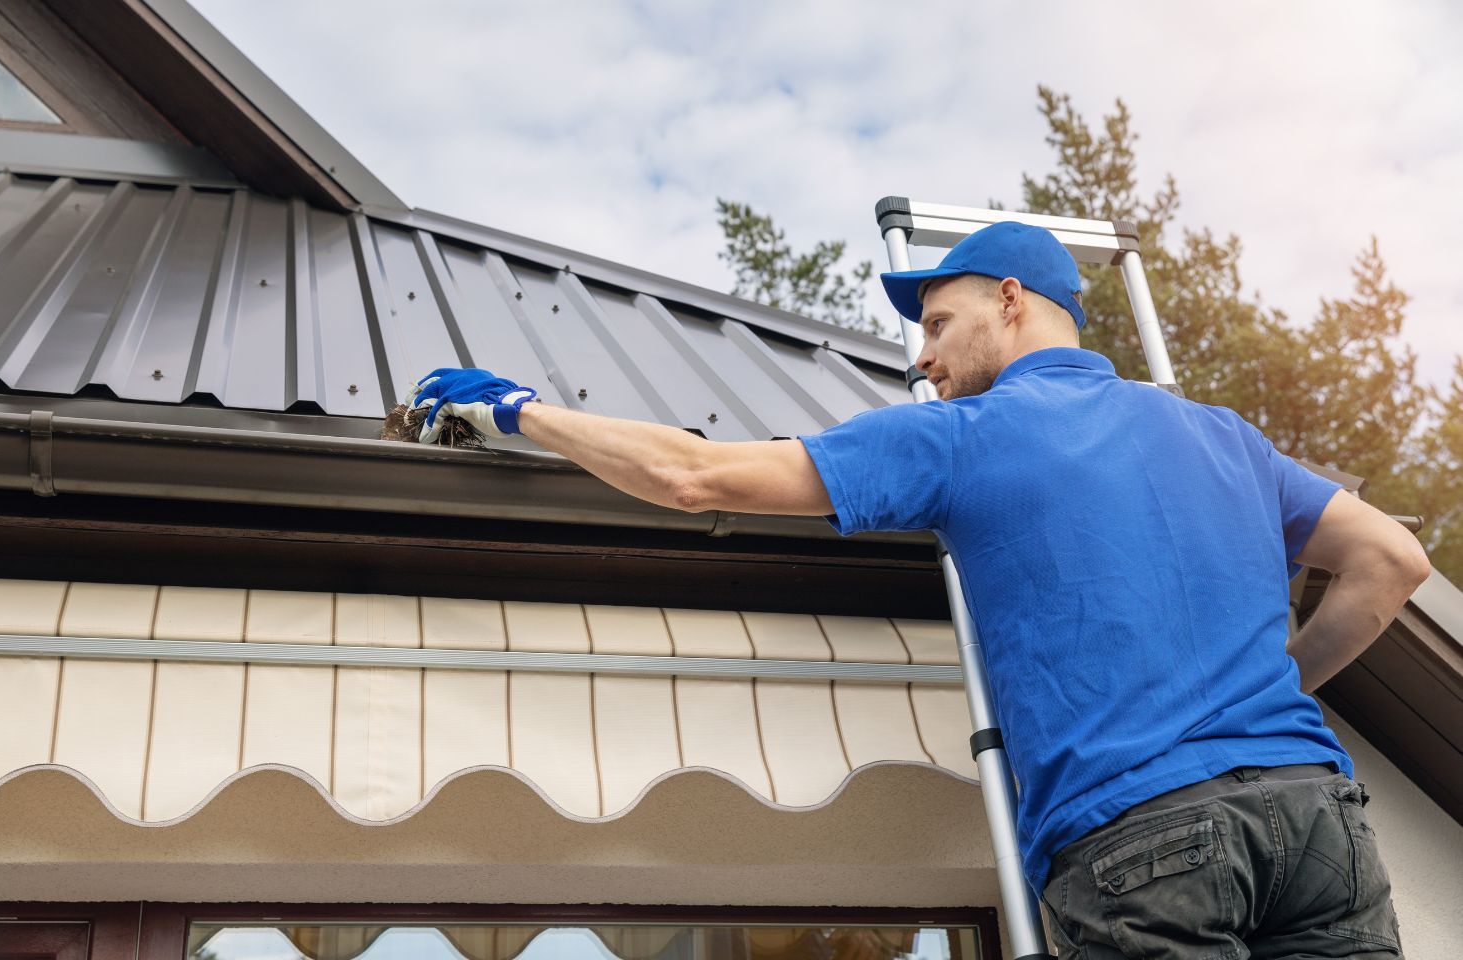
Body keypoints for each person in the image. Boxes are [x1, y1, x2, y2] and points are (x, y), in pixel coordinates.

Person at [405, 221, 1430, 958]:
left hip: (1146, 838)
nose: (925, 360)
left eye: (939, 324)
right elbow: (1391, 561)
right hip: (1318, 826)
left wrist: (517, 412)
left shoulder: (966, 438)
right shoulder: (1222, 434)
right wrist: (1272, 692)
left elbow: (695, 476)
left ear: (1014, 303)